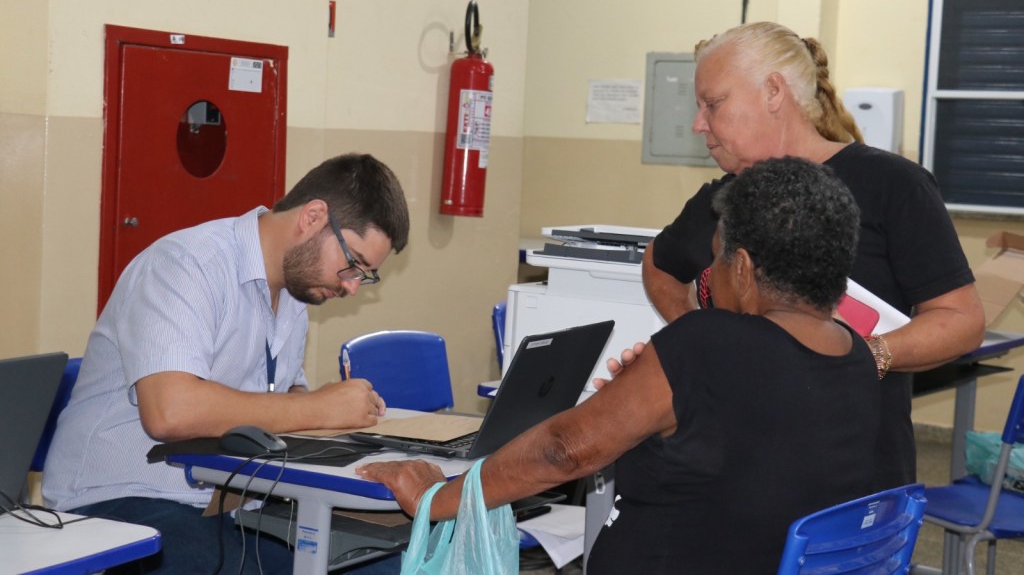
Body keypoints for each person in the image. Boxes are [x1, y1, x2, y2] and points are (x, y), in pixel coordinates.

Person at [360, 157, 882, 574]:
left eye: (716, 258)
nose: (711, 273)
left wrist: (438, 496)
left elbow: (564, 450)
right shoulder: (856, 357)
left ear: (742, 268)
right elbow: (739, 455)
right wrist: (649, 397)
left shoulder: (708, 342)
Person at [641, 21, 985, 490]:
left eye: (713, 104)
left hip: (854, 469)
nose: (698, 124)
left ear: (773, 91)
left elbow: (961, 320)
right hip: (740, 470)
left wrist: (866, 356)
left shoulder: (892, 185)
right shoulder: (719, 199)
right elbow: (659, 267)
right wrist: (700, 348)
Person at [42, 153, 410, 574]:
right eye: (353, 264)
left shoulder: (296, 292)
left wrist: (332, 411)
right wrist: (318, 408)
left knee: (377, 563)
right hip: (125, 498)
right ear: (312, 217)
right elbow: (170, 413)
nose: (351, 287)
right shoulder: (185, 264)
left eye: (365, 275)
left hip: (231, 501)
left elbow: (283, 396)